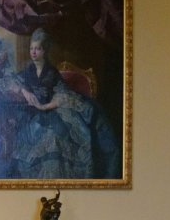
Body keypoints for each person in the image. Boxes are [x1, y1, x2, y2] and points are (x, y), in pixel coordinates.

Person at [10, 28, 120, 180]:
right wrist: (24, 91)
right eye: (31, 48)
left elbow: (62, 95)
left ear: (45, 51)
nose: (34, 52)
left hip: (51, 110)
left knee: (55, 136)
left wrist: (43, 107)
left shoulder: (52, 72)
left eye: (38, 48)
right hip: (31, 113)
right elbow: (13, 82)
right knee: (22, 136)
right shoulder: (28, 70)